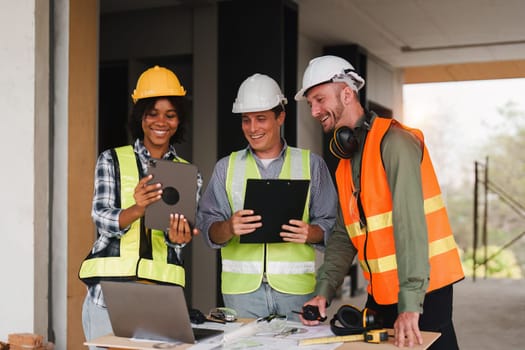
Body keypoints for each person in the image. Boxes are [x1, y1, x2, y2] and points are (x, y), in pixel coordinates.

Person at [295, 55, 464, 349]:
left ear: (346, 93)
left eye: (319, 100)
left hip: (424, 293)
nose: (314, 111)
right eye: (310, 103)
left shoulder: (395, 143)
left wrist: (411, 303)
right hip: (382, 294)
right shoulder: (345, 164)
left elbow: (409, 223)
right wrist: (324, 290)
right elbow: (344, 234)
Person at [196, 73, 338, 321]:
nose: (253, 128)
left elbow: (334, 227)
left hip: (296, 292)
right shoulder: (225, 168)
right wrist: (228, 227)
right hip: (241, 295)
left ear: (280, 117)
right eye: (246, 120)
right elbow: (208, 229)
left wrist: (311, 233)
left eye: (261, 119)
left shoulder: (311, 165)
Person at [79, 65, 202, 348]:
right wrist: (137, 208)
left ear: (179, 120)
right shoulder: (111, 160)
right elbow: (101, 219)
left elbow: (175, 241)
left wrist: (179, 236)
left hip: (160, 298)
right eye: (153, 113)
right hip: (108, 297)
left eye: (170, 115)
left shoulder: (188, 173)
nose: (162, 122)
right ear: (140, 117)